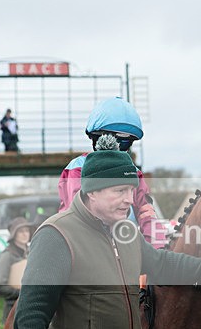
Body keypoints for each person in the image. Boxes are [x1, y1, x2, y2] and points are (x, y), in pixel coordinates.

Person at [16, 150, 201, 329]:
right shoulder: (57, 234)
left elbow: (162, 263)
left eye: (132, 190)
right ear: (92, 191)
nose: (130, 200)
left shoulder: (127, 233)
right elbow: (30, 314)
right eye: (120, 191)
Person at [57, 97, 167, 248]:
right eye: (114, 140)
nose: (118, 148)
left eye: (125, 143)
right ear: (96, 138)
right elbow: (78, 213)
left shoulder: (134, 173)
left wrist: (159, 250)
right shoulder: (77, 168)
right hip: (80, 249)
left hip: (124, 248)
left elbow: (146, 213)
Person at [0, 217, 32, 323]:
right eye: (21, 231)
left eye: (27, 231)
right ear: (14, 234)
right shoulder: (7, 255)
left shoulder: (31, 252)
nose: (25, 234)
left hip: (30, 308)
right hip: (13, 312)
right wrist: (22, 292)